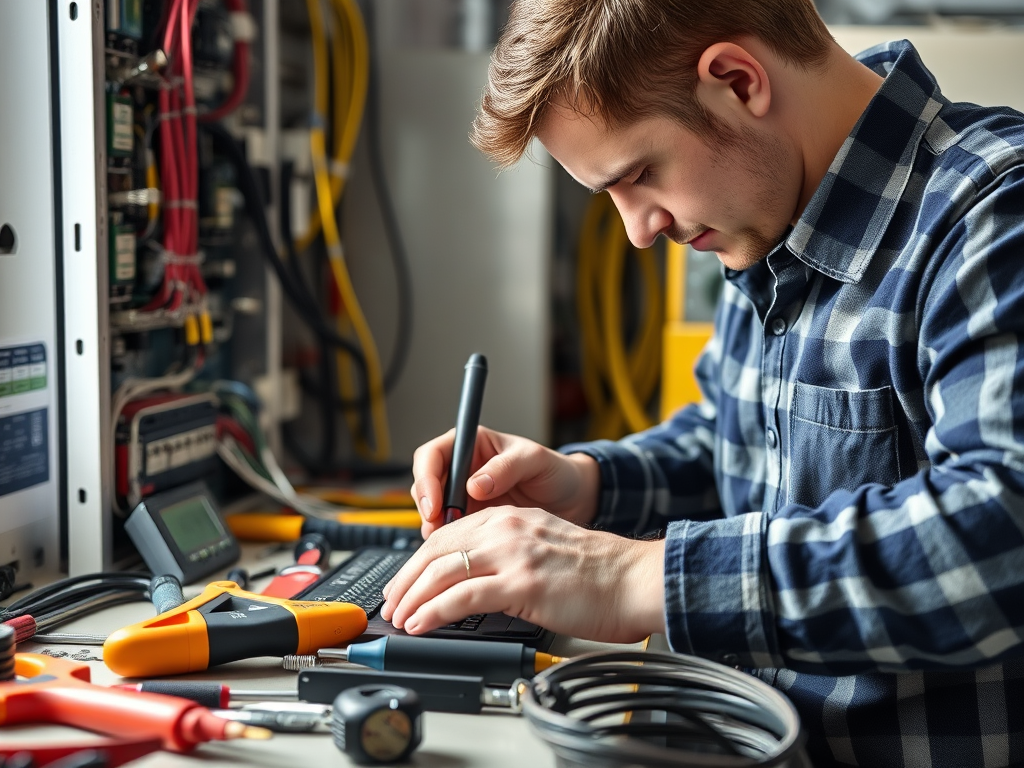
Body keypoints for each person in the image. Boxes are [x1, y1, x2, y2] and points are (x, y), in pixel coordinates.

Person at [380, 0, 1024, 764]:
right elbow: (741, 443)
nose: (639, 229)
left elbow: (999, 534)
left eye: (640, 174)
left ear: (737, 80)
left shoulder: (991, 214)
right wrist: (586, 486)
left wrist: (630, 576)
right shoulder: (766, 209)